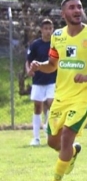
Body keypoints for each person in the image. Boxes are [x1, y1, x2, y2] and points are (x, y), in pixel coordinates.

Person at [27, 0, 87, 181]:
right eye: (72, 7)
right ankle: (72, 153)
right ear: (63, 13)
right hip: (61, 96)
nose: (77, 10)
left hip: (84, 95)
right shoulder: (57, 36)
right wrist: (38, 66)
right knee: (52, 142)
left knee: (67, 136)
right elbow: (52, 65)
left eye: (79, 7)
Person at [25, 18, 56, 146]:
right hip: (38, 81)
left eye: (50, 28)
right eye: (46, 29)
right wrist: (29, 71)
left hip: (52, 80)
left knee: (51, 103)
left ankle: (49, 129)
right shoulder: (35, 45)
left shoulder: (56, 44)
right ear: (41, 30)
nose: (48, 31)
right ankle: (36, 138)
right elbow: (28, 60)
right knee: (37, 106)